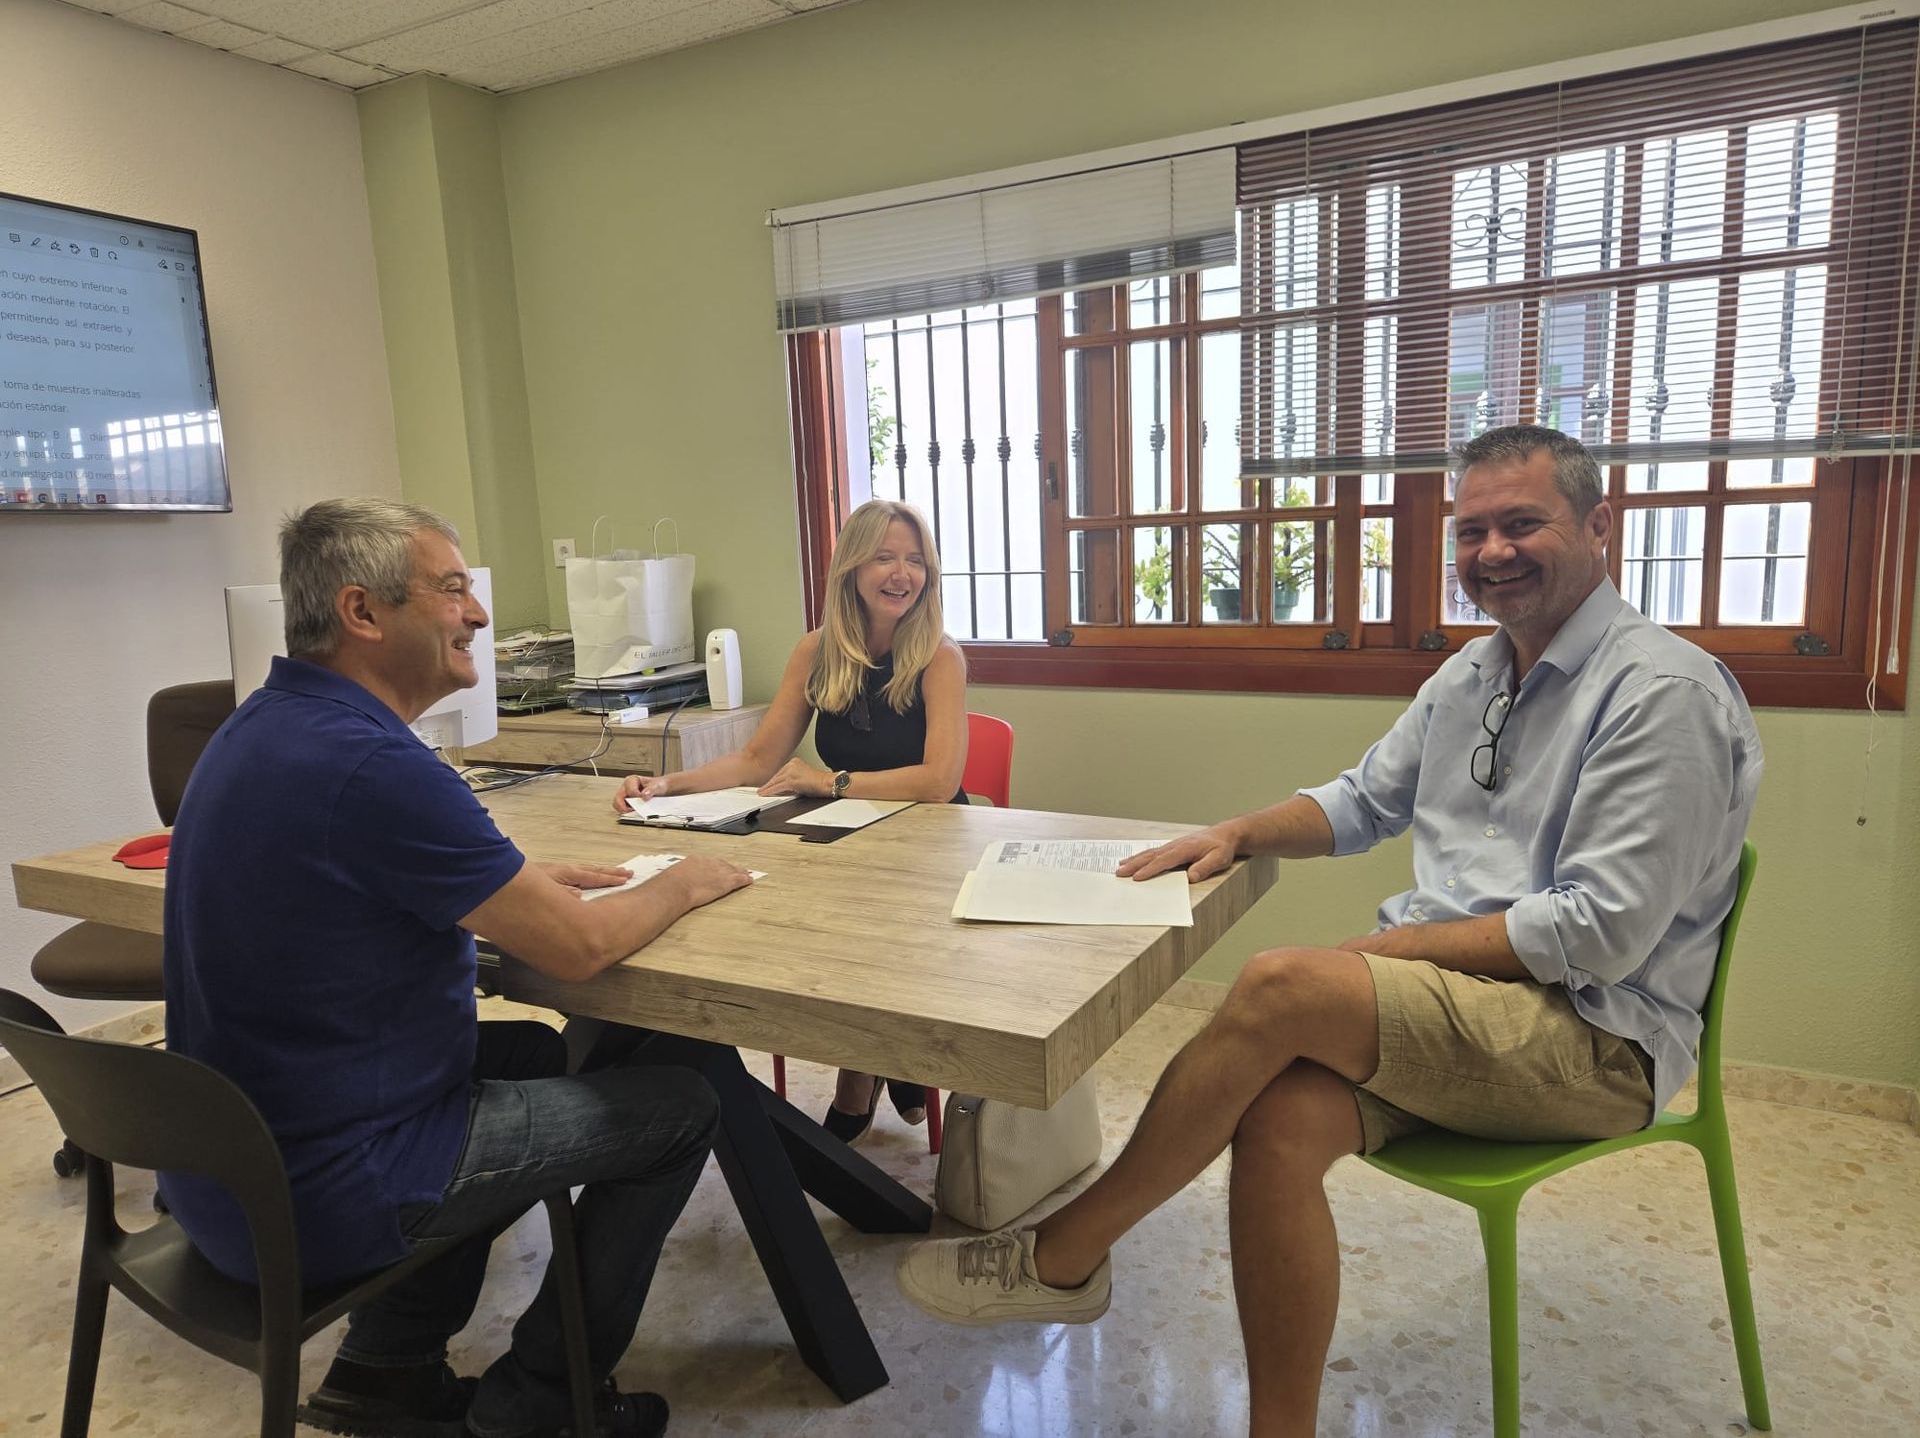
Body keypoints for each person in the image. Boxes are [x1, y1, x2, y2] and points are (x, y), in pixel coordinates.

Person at [895, 426, 1763, 1438]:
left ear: (1599, 527)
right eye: (1472, 529)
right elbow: (1362, 801)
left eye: (1522, 523)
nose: (1492, 553)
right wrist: (1233, 832)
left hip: (1594, 1040)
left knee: (1284, 987)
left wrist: (1375, 957)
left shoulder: (1662, 692)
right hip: (1466, 1016)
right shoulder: (1477, 675)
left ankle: (1063, 1256)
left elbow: (1599, 934)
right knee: (1278, 1121)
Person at [160, 497, 754, 1438]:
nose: (479, 613)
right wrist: (684, 879)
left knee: (526, 1056)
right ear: (363, 612)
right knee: (684, 1107)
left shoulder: (262, 726)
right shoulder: (373, 764)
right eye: (451, 589)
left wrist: (508, 882)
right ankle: (542, 1404)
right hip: (324, 1187)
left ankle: (385, 1372)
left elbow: (347, 887)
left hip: (225, 1166)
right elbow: (581, 949)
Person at [609, 498, 967, 1141]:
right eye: (884, 557)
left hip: (926, 846)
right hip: (846, 838)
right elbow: (756, 758)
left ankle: (858, 1080)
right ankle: (890, 1062)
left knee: (870, 939)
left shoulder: (940, 656)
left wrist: (829, 781)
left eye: (915, 561)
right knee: (803, 930)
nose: (900, 574)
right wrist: (662, 785)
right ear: (851, 570)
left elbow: (940, 782)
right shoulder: (816, 651)